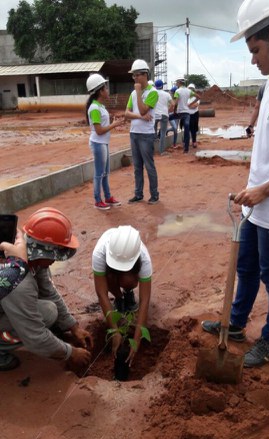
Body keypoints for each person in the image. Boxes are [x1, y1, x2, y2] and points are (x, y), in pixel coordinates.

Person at [202, 0, 269, 368]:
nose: (253, 60)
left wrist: (265, 190)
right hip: (255, 204)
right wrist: (252, 186)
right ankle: (235, 324)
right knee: (247, 268)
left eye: (255, 50)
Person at [0, 207, 92, 371]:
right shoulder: (17, 281)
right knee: (41, 318)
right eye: (55, 255)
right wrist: (70, 353)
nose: (56, 259)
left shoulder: (32, 260)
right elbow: (34, 335)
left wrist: (73, 326)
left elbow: (49, 292)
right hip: (14, 299)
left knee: (49, 310)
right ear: (43, 253)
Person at [92, 225, 152, 364]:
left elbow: (145, 300)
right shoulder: (100, 253)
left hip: (128, 273)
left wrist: (136, 339)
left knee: (128, 281)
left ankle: (127, 293)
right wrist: (115, 331)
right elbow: (102, 293)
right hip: (110, 272)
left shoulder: (144, 258)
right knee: (110, 279)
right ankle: (119, 298)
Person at [86, 73, 124, 210]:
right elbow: (99, 130)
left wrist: (113, 123)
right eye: (105, 88)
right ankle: (98, 200)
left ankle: (107, 197)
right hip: (98, 143)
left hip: (103, 143)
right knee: (99, 174)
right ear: (100, 91)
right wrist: (115, 125)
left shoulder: (100, 106)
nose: (107, 91)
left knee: (105, 173)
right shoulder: (95, 108)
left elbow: (102, 128)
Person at [125, 59, 160, 205]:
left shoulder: (153, 93)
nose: (134, 78)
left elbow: (144, 109)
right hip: (134, 133)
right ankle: (138, 194)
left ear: (145, 75)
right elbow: (127, 113)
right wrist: (139, 116)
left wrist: (139, 92)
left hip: (146, 135)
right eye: (133, 76)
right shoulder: (133, 93)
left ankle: (154, 195)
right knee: (137, 167)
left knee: (149, 166)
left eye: (137, 75)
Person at [172, 77, 194, 153]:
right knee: (186, 130)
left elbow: (176, 103)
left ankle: (159, 135)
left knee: (166, 118)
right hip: (187, 113)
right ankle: (186, 149)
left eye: (176, 82)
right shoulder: (189, 91)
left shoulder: (177, 91)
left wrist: (174, 111)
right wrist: (191, 104)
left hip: (179, 113)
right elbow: (198, 97)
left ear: (179, 82)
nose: (176, 84)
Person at [154, 79, 172, 155]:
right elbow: (173, 104)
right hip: (164, 114)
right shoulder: (167, 94)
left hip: (154, 114)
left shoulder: (153, 93)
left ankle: (152, 150)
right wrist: (168, 110)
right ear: (162, 86)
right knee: (163, 133)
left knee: (153, 132)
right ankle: (161, 151)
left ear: (155, 86)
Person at [187, 83, 201, 148]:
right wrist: (190, 106)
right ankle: (186, 142)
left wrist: (188, 106)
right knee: (187, 128)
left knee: (194, 129)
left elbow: (195, 106)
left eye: (192, 89)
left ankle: (194, 142)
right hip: (187, 115)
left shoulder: (196, 97)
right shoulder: (186, 98)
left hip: (195, 115)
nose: (190, 90)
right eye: (189, 89)